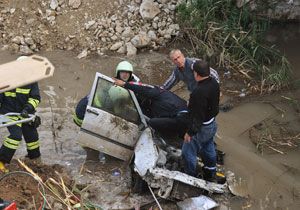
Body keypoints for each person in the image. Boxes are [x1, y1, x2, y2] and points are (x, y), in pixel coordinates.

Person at [0, 56, 41, 173]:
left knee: (32, 137)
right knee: (15, 136)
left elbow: (36, 98)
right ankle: (1, 162)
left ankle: (35, 161)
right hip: (9, 113)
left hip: (26, 114)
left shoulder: (32, 80)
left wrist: (27, 109)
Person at [181, 60, 220, 181]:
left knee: (188, 151)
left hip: (201, 128)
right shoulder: (214, 83)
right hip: (212, 123)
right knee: (208, 147)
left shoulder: (199, 92)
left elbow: (197, 118)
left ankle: (190, 178)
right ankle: (210, 170)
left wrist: (190, 133)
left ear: (196, 74)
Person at [113, 80, 189, 140]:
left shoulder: (156, 92)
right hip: (182, 118)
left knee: (152, 122)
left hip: (182, 118)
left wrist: (125, 84)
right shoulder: (157, 98)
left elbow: (143, 88)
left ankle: (168, 141)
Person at [73, 60, 140, 127]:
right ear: (118, 73)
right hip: (84, 114)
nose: (125, 74)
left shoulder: (114, 82)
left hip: (87, 106)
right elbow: (118, 113)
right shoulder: (117, 89)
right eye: (123, 72)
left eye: (127, 73)